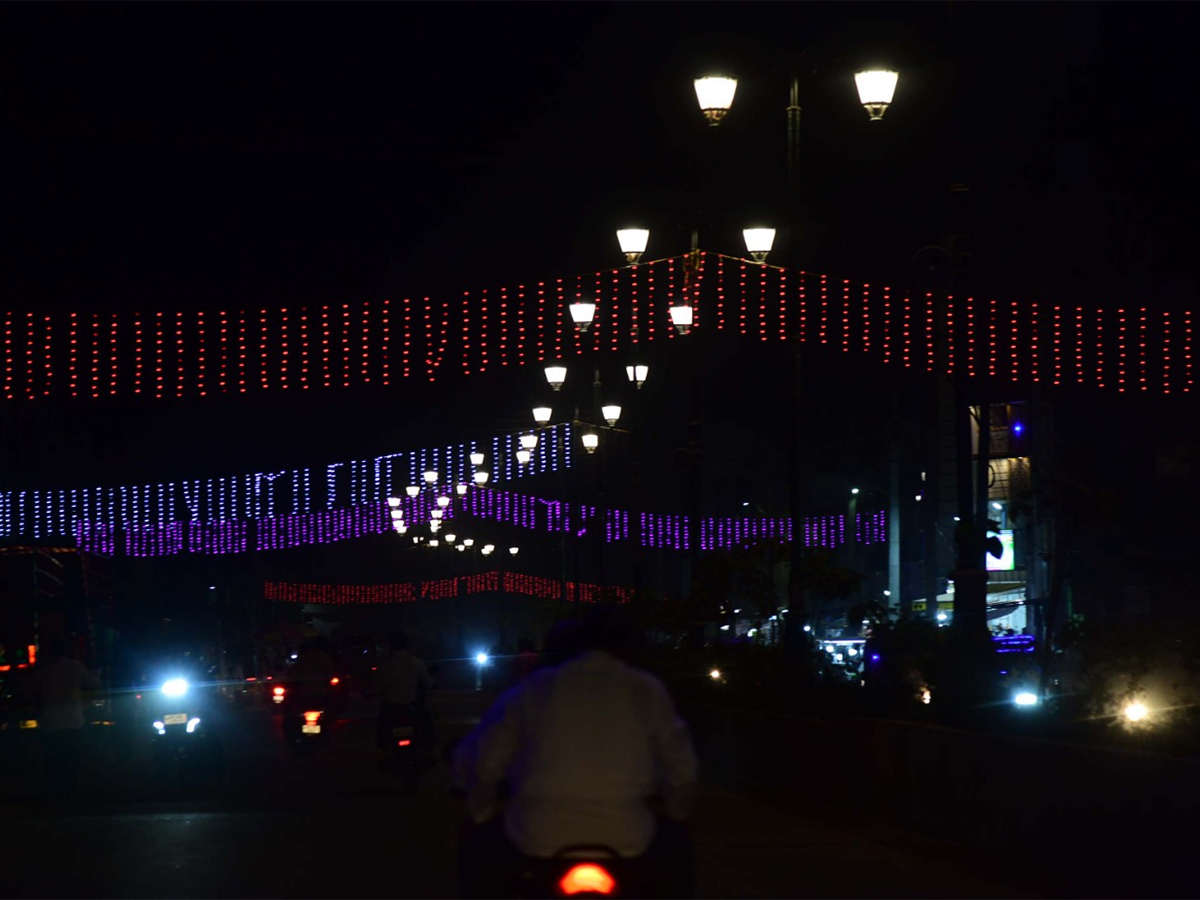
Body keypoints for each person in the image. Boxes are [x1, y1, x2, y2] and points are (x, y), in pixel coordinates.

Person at [453, 606, 699, 898]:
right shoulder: (645, 689)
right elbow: (682, 769)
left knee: (475, 850)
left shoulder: (533, 688)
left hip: (536, 836)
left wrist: (481, 809)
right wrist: (676, 810)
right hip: (629, 837)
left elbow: (484, 761)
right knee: (680, 853)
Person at [32, 634, 102, 800]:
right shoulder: (75, 667)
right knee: (72, 760)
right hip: (73, 721)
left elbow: (27, 689)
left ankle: (55, 796)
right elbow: (96, 683)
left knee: (53, 761)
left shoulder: (45, 670)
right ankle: (70, 795)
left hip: (51, 723)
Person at [376, 630, 433, 759]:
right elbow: (428, 682)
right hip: (412, 706)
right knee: (428, 725)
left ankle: (383, 748)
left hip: (390, 707)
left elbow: (378, 687)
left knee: (381, 728)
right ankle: (428, 750)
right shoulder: (416, 662)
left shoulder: (384, 664)